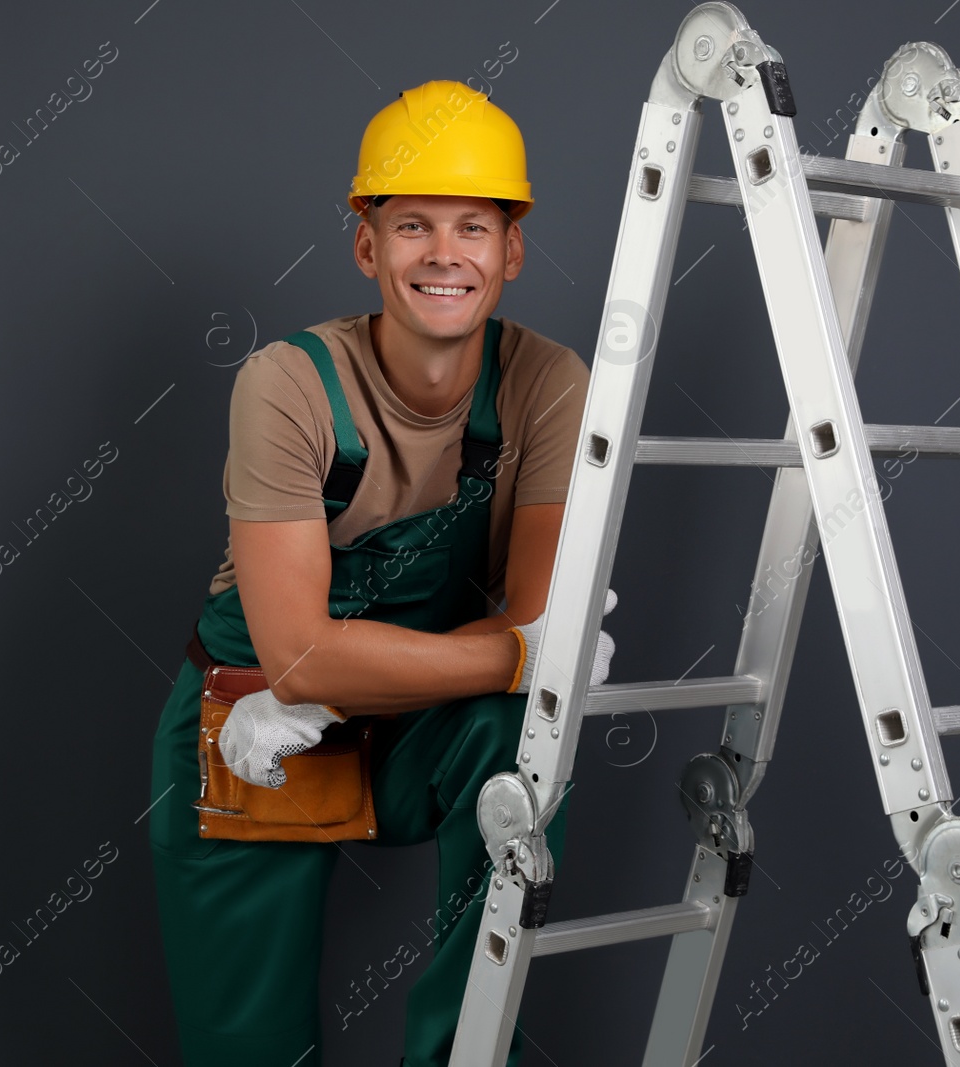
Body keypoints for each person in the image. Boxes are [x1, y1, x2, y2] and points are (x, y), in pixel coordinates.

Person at [147, 79, 616, 1067]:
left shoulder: (547, 384)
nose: (444, 254)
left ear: (512, 250)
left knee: (513, 737)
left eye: (473, 228)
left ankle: (464, 1054)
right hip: (251, 726)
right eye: (412, 225)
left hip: (420, 726)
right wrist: (509, 652)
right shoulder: (287, 383)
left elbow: (532, 651)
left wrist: (506, 654)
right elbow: (302, 653)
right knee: (247, 1048)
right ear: (367, 246)